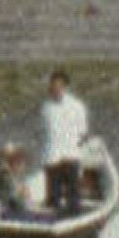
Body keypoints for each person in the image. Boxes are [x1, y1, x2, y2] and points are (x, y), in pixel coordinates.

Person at [40, 69, 89, 217]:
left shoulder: (77, 106)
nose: (54, 88)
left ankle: (73, 217)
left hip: (70, 154)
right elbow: (43, 131)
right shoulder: (46, 107)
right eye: (52, 85)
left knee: (73, 196)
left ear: (65, 87)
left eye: (58, 86)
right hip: (52, 154)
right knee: (53, 197)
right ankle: (52, 220)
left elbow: (83, 131)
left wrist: (73, 145)